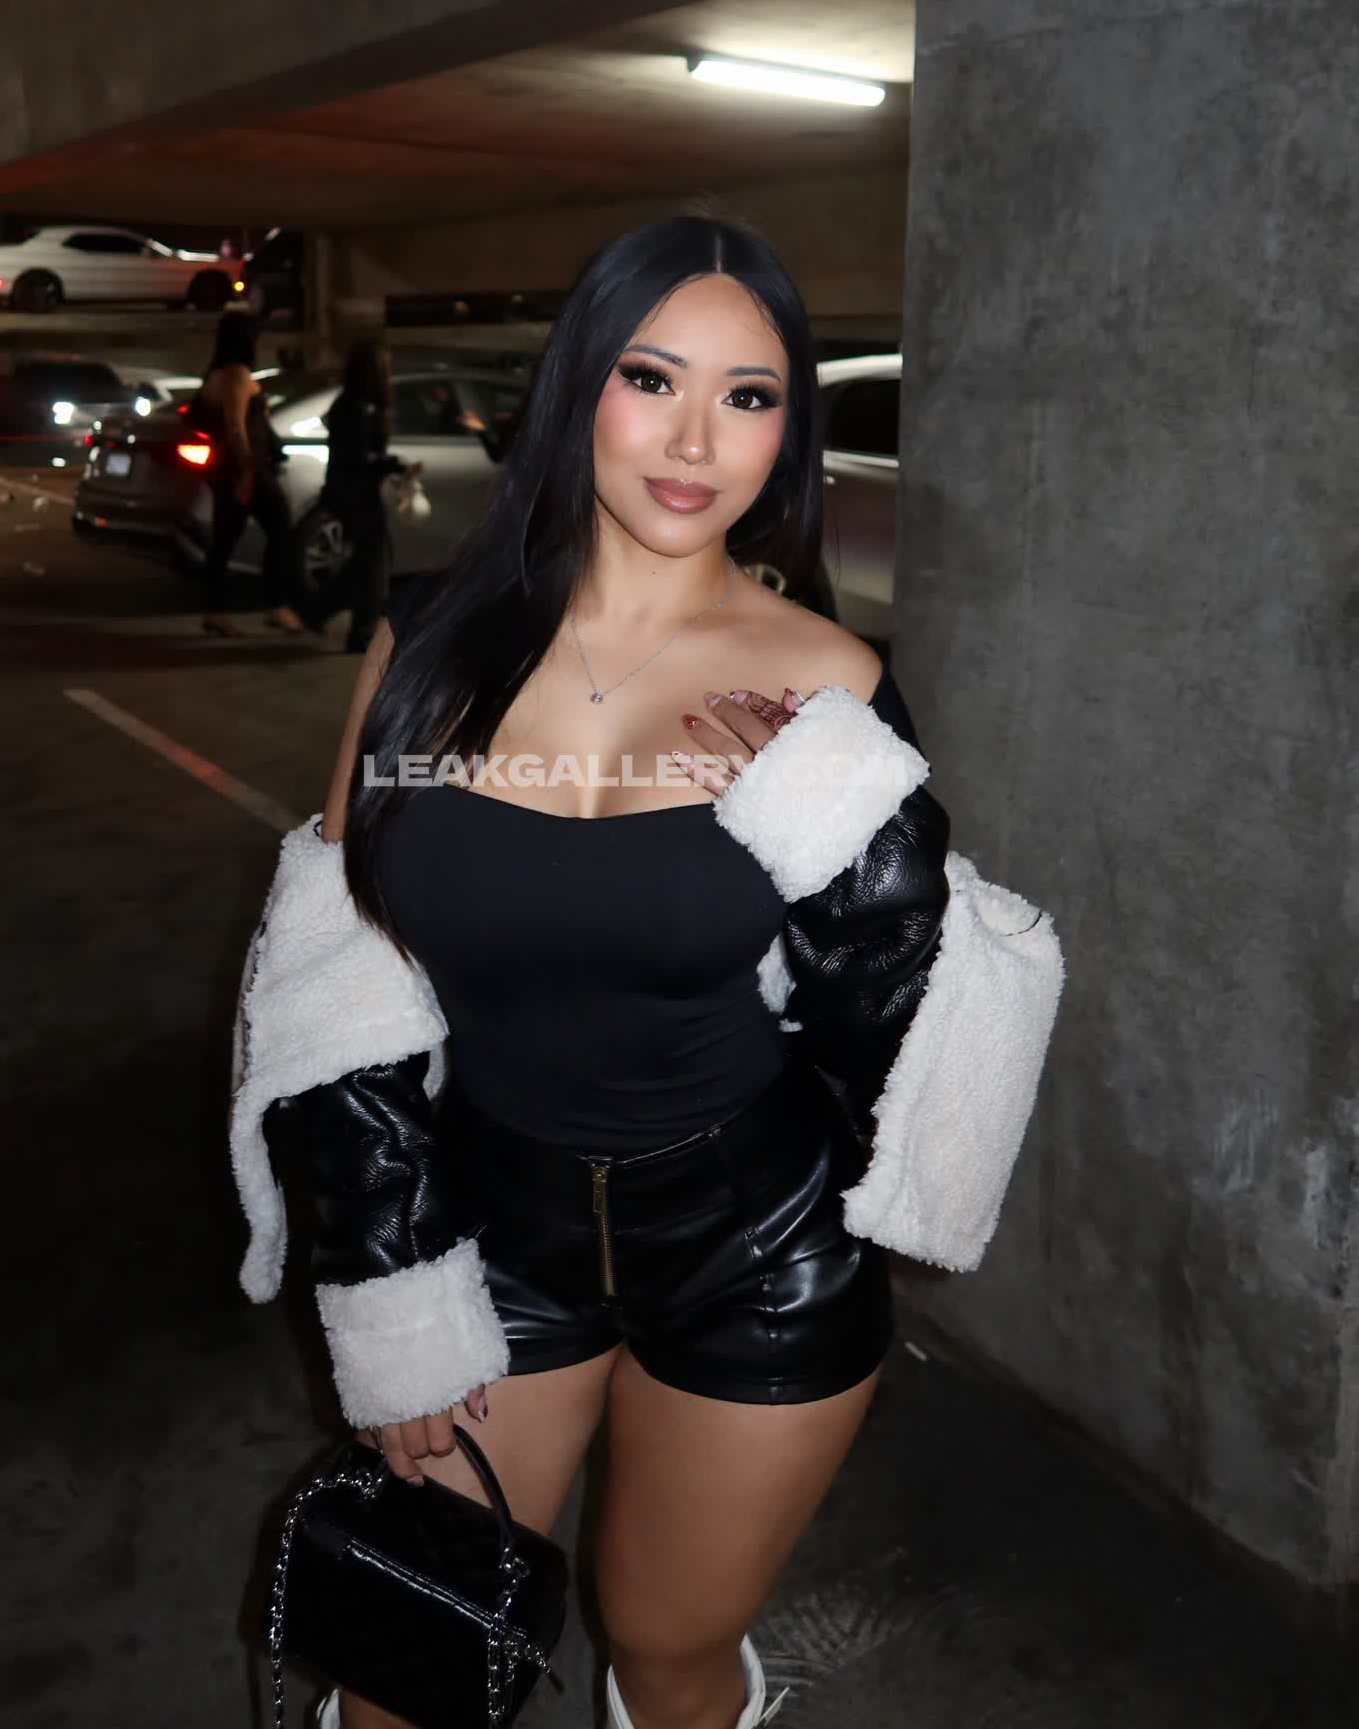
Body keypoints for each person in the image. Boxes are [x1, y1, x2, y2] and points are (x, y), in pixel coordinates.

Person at [229, 217, 1058, 1729]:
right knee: (406, 1678)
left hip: (761, 1245)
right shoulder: (429, 644)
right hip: (488, 1233)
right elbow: (336, 971)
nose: (695, 441)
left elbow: (914, 1048)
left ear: (787, 430)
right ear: (577, 388)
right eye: (652, 378)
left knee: (670, 1651)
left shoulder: (828, 683)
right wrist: (388, 1274)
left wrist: (849, 841)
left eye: (750, 397)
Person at [186, 311, 304, 638]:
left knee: (224, 540)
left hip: (228, 469)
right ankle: (278, 605)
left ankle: (215, 611)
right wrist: (249, 472)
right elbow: (236, 427)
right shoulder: (236, 375)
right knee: (279, 527)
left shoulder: (215, 375)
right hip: (246, 468)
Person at [319, 340, 424, 654]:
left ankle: (320, 611)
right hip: (356, 494)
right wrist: (394, 465)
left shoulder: (350, 404)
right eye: (386, 367)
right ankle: (361, 630)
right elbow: (359, 457)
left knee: (366, 560)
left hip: (349, 491)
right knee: (374, 563)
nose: (390, 374)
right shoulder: (359, 408)